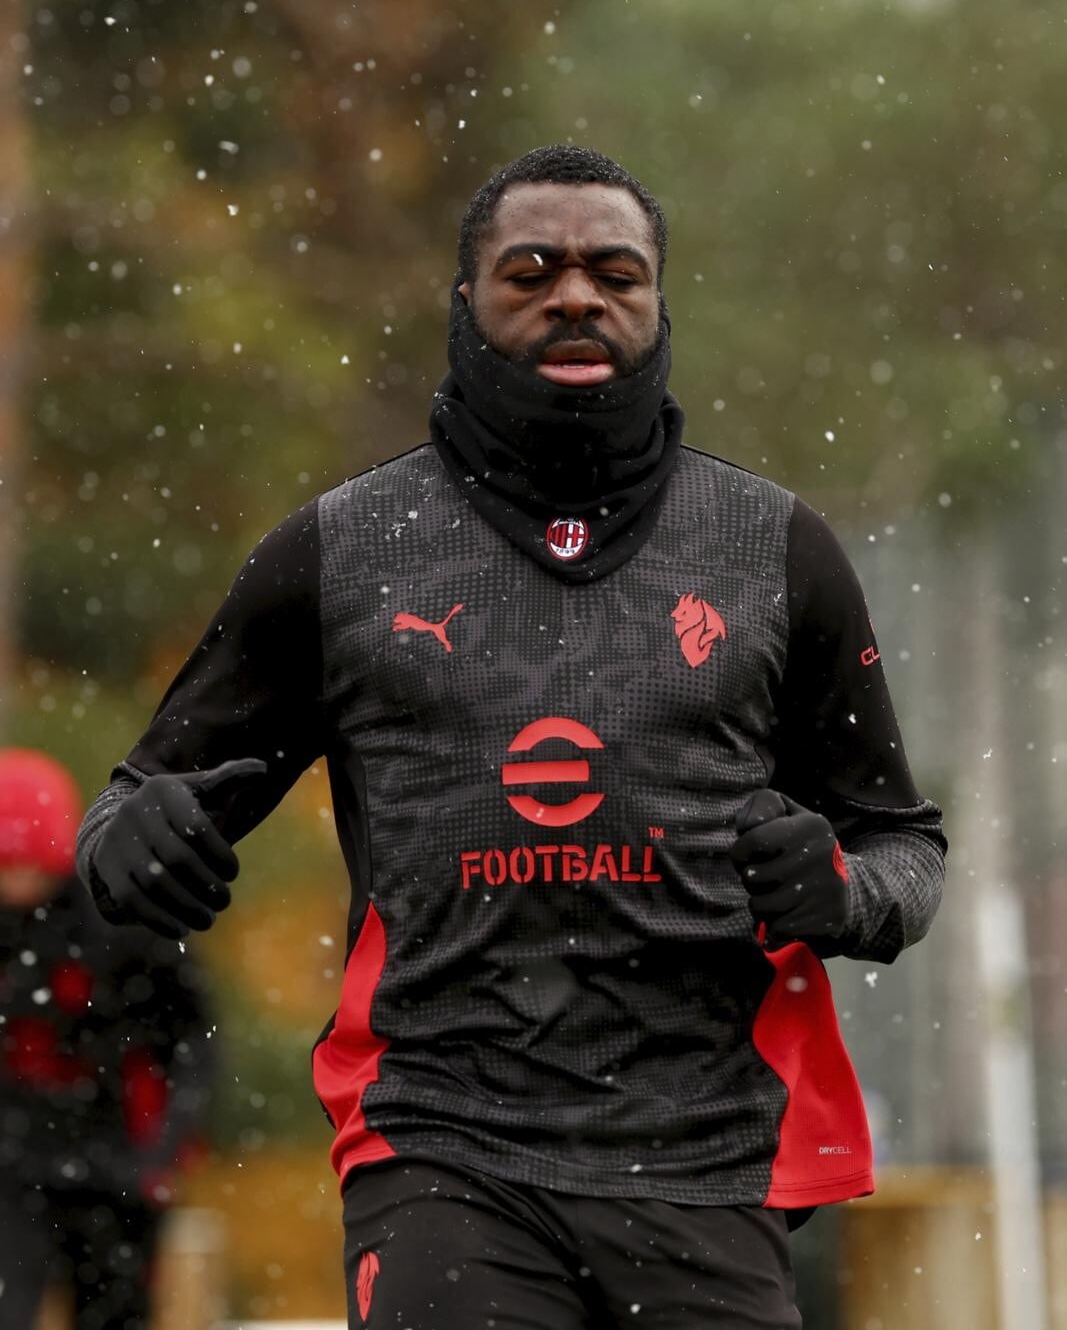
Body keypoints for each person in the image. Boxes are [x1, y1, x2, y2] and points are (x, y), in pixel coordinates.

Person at [76, 145, 946, 1329]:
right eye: (530, 271)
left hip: (702, 1154)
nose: (575, 296)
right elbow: (131, 804)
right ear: (465, 303)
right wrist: (131, 840)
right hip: (439, 1141)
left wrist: (839, 890)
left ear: (657, 304)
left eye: (614, 274)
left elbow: (904, 847)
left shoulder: (774, 547)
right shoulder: (340, 550)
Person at [0, 747, 214, 1330]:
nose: (17, 883)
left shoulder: (121, 918)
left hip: (115, 1160)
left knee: (115, 1313)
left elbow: (191, 1038)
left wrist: (164, 1148)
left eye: (28, 865)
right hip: (13, 1161)